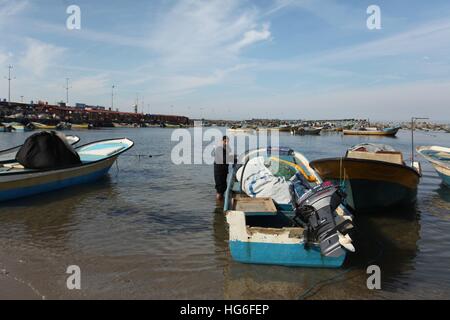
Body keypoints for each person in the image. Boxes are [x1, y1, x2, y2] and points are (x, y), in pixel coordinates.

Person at [214, 136, 233, 201]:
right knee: (220, 189)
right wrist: (233, 158)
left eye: (227, 142)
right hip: (219, 171)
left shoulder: (225, 148)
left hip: (224, 171)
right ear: (221, 141)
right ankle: (218, 204)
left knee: (224, 187)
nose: (226, 143)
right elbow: (224, 159)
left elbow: (228, 155)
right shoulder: (219, 149)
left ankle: (221, 202)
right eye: (225, 141)